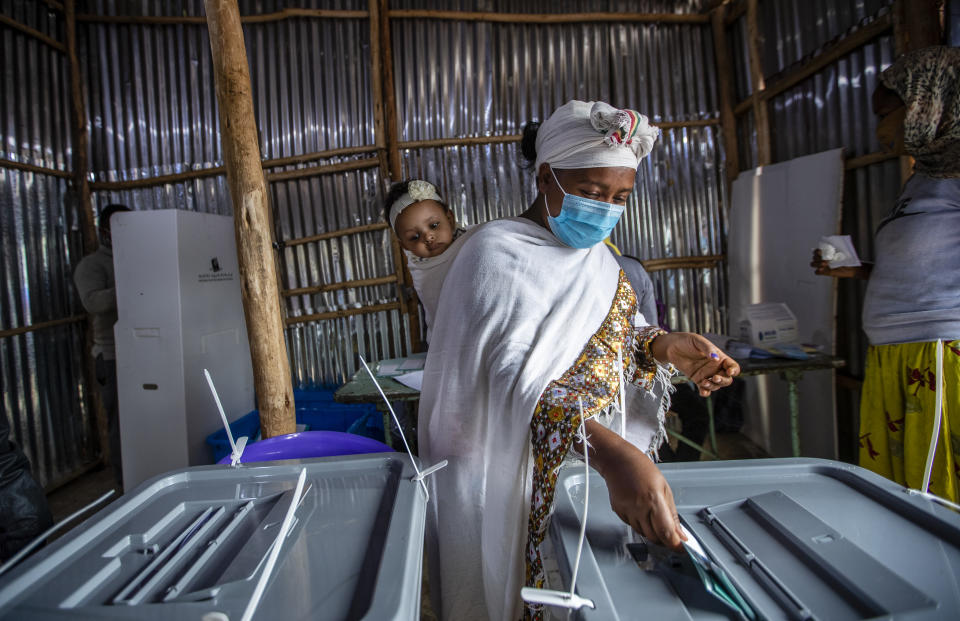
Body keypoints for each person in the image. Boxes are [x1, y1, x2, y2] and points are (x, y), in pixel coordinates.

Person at [418, 100, 740, 621]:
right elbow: (510, 377)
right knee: (512, 590)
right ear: (547, 177)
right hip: (503, 467)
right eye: (591, 192)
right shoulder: (494, 254)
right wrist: (615, 457)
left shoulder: (597, 260)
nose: (605, 208)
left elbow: (613, 335)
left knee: (581, 587)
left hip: (573, 463)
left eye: (620, 198)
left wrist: (663, 345)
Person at [811, 46, 960, 501]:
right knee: (898, 487)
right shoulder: (924, 177)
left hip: (939, 349)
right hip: (894, 350)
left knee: (937, 496)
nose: (880, 131)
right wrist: (860, 271)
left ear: (929, 103)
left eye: (886, 114)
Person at [74, 204, 130, 489]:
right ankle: (124, 487)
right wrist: (133, 286)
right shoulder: (92, 265)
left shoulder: (135, 259)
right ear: (104, 231)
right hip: (111, 356)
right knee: (120, 425)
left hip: (138, 354)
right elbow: (93, 301)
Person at [384, 179, 474, 340]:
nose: (428, 237)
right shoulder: (420, 268)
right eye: (414, 237)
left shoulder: (475, 243)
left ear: (450, 219)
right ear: (403, 245)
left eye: (433, 225)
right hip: (443, 340)